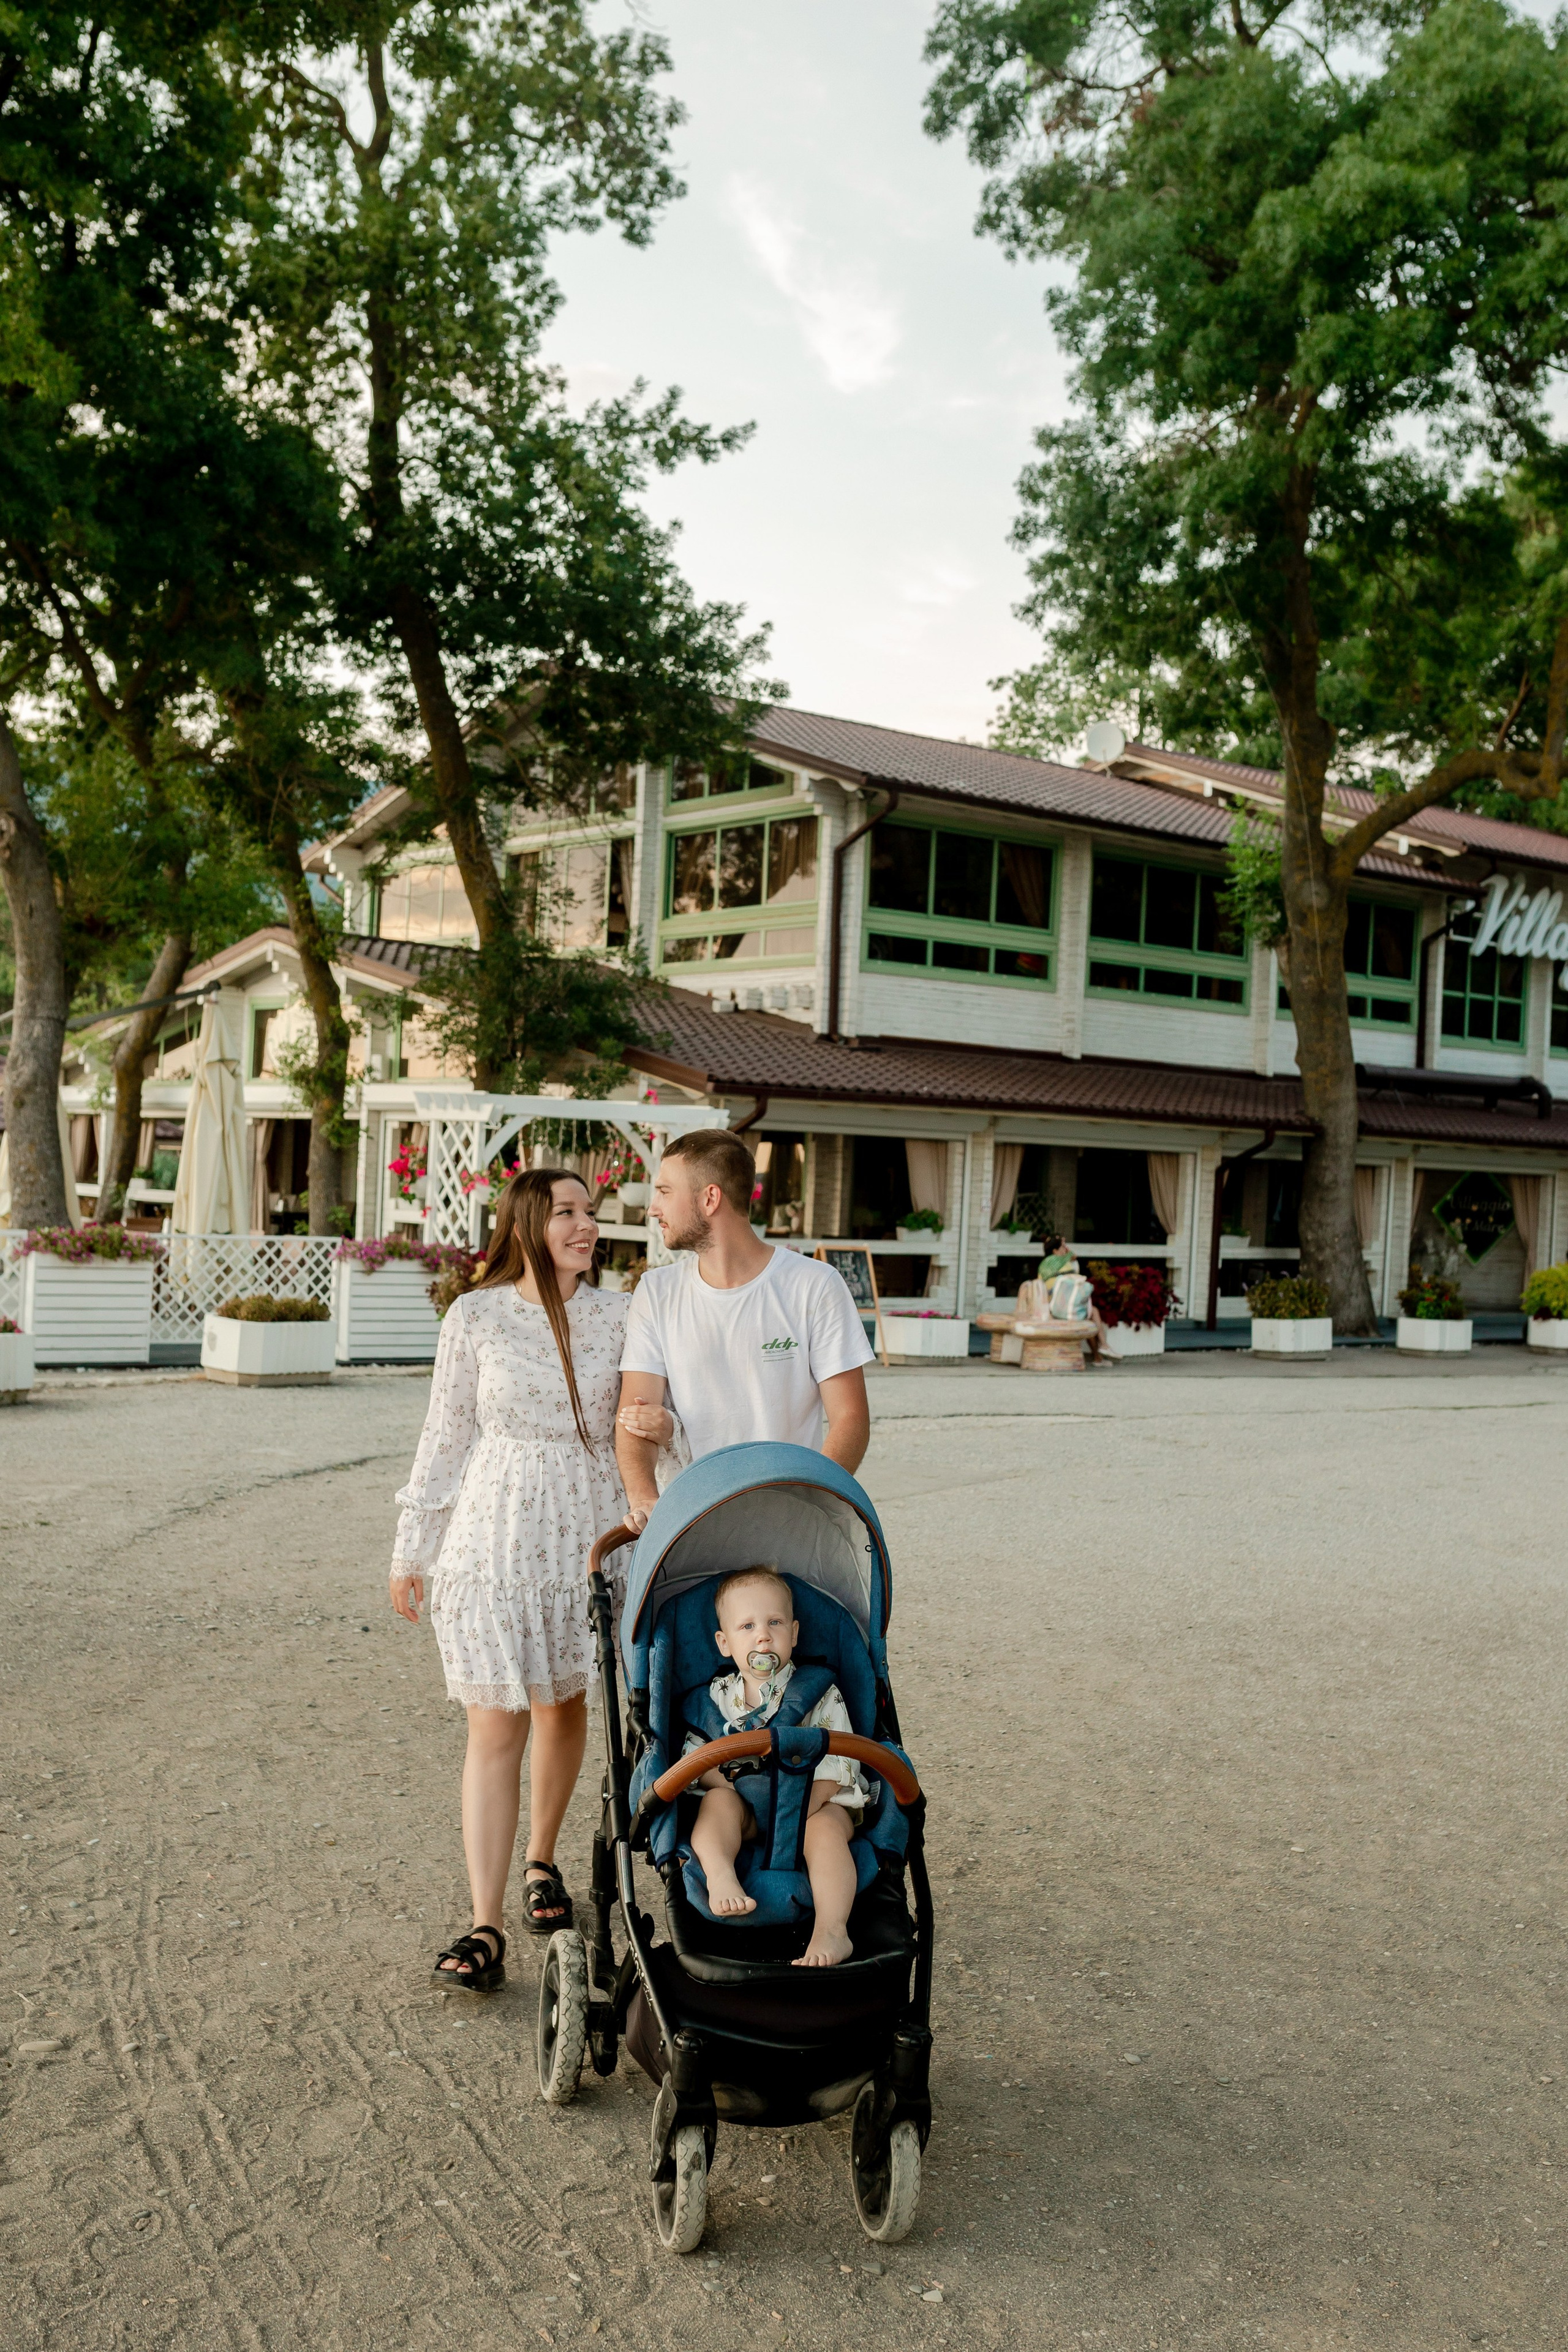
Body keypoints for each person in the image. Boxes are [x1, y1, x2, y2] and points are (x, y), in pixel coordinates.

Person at [388, 1168, 671, 1991]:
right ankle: (485, 1922)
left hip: (588, 1537)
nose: (586, 1226)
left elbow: (651, 1422)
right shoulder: (475, 1315)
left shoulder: (624, 1314)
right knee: (493, 1726)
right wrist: (412, 1548)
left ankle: (541, 1859)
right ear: (524, 1226)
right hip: (495, 1539)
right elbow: (445, 1436)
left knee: (564, 1705)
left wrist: (667, 1437)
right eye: (566, 1213)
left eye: (591, 1212)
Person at [614, 1128, 873, 1524]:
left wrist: (806, 1503)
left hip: (788, 1517)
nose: (653, 1208)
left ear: (710, 1198)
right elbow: (635, 1416)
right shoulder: (656, 1291)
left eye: (665, 1191)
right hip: (688, 1521)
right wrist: (645, 1500)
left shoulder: (814, 1285)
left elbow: (851, 1419)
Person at [684, 1566, 865, 1969]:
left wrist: (798, 1809)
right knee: (716, 1804)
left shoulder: (820, 1693)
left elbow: (841, 1762)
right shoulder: (717, 1699)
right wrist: (731, 1783)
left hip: (812, 1806)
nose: (763, 1636)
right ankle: (720, 1874)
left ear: (794, 1634)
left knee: (828, 1828)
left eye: (775, 1623)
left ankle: (832, 1929)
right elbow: (693, 1763)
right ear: (725, 1643)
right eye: (747, 1626)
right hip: (746, 1810)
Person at [1031, 1232, 1117, 1366]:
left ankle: (1099, 1356)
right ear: (1055, 1251)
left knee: (1090, 1315)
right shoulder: (1058, 1261)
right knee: (1092, 1313)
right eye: (1062, 1247)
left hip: (1057, 1304)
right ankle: (1102, 1348)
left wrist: (1061, 1243)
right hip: (1060, 1306)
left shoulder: (1046, 1263)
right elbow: (1073, 1255)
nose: (1065, 1249)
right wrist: (1065, 1246)